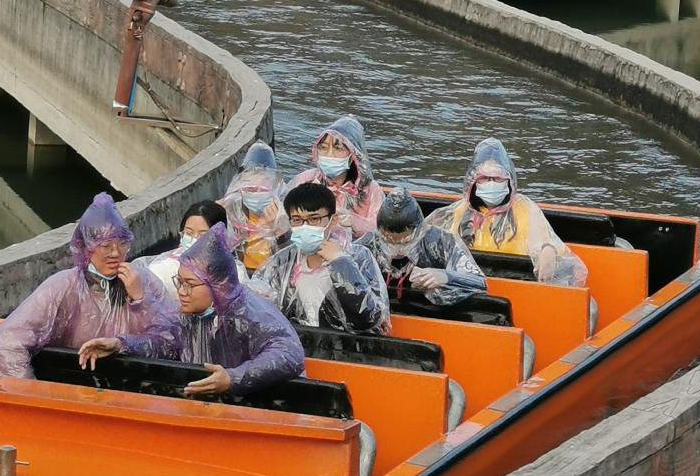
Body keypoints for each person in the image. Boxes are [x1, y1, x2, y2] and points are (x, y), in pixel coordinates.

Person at [82, 224, 305, 399]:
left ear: (217, 286)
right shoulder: (188, 314)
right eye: (179, 282)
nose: (181, 291)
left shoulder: (249, 313)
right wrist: (121, 344)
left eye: (189, 284)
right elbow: (162, 341)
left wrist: (233, 378)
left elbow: (288, 353)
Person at [0, 192, 179, 378]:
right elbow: (6, 342)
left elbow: (173, 342)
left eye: (122, 244)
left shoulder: (143, 280)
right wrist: (30, 393)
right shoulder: (64, 286)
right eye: (106, 246)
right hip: (72, 384)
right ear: (85, 248)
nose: (115, 253)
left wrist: (141, 301)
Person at [432, 138, 587, 287]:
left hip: (519, 284)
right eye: (484, 178)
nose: (491, 183)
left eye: (498, 178)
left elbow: (547, 243)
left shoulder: (525, 209)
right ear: (473, 182)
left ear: (509, 181)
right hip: (468, 285)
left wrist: (548, 252)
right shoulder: (459, 212)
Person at [251, 180, 389, 334]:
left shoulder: (358, 257)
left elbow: (368, 318)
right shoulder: (283, 262)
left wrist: (340, 262)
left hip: (346, 345)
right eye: (297, 220)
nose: (305, 226)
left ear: (333, 220)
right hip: (300, 341)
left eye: (314, 219)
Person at [358, 184, 488, 309]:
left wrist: (447, 277)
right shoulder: (369, 244)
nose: (397, 247)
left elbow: (479, 282)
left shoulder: (441, 241)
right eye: (388, 240)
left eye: (405, 241)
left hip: (435, 312)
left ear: (419, 231)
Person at [287, 115, 383, 239]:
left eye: (338, 148)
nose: (329, 154)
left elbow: (381, 232)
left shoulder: (370, 190)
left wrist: (353, 222)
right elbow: (284, 215)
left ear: (353, 154)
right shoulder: (305, 179)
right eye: (323, 147)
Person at [221, 142, 287, 275]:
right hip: (238, 273)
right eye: (250, 188)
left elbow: (291, 257)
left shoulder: (285, 213)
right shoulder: (230, 209)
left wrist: (281, 232)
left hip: (272, 275)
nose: (256, 193)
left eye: (263, 188)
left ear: (274, 184)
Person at [142, 200, 228, 299]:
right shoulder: (162, 271)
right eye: (189, 233)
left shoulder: (231, 274)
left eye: (203, 235)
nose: (195, 240)